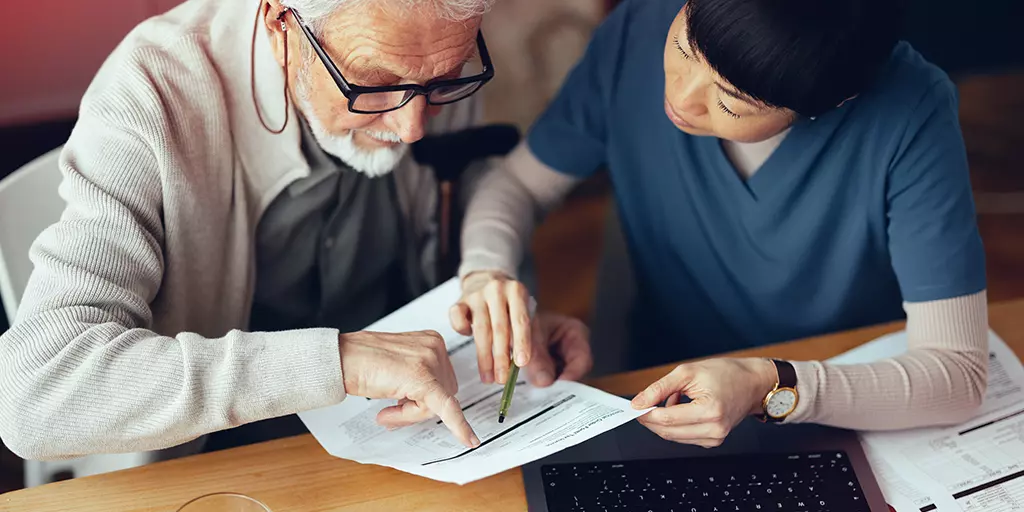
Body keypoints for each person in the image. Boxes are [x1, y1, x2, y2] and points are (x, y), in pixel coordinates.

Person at [0, 0, 589, 460]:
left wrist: (493, 309)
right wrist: (339, 360)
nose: (413, 128)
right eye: (373, 83)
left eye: (444, 81)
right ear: (282, 25)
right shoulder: (154, 94)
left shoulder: (422, 64)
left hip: (405, 433)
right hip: (223, 457)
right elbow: (37, 393)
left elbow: (467, 185)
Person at [452, 0, 989, 448]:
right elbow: (515, 185)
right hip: (658, 396)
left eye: (731, 100)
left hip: (847, 410)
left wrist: (768, 385)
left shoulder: (908, 109)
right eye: (684, 48)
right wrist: (486, 272)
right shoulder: (639, 27)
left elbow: (958, 374)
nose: (681, 96)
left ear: (832, 103)